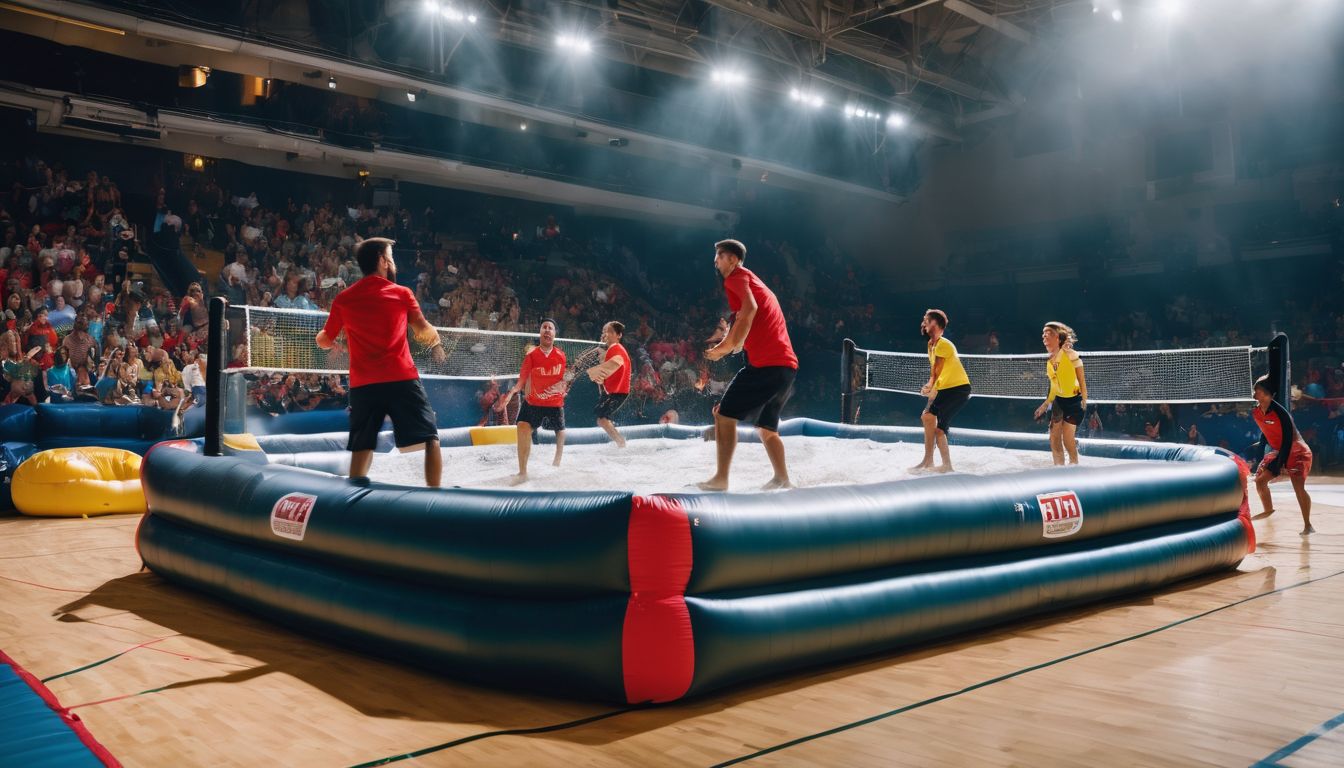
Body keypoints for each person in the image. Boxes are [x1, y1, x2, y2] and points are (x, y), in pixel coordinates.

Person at [316, 237, 444, 487]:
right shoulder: (402, 294)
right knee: (430, 438)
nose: (393, 262)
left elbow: (324, 340)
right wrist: (436, 339)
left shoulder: (344, 298)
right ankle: (434, 499)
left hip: (363, 385)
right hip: (401, 378)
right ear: (383, 262)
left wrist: (323, 337)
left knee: (362, 446)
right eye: (391, 258)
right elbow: (422, 331)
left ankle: (352, 501)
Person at [700, 239, 797, 491]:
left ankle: (721, 479)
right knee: (766, 429)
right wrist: (728, 343)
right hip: (785, 368)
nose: (715, 261)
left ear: (733, 259)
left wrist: (723, 349)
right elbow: (744, 322)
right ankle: (782, 478)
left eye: (720, 256)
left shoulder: (736, 278)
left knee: (724, 415)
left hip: (767, 365)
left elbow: (750, 310)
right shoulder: (755, 282)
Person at [496, 319, 567, 482]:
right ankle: (522, 472)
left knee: (560, 430)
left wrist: (562, 388)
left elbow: (563, 379)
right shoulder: (532, 356)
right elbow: (522, 379)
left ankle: (557, 462)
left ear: (555, 334)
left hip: (554, 403)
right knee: (521, 426)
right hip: (533, 402)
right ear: (540, 333)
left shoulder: (561, 356)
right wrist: (513, 391)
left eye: (551, 328)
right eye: (544, 327)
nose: (547, 330)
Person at [1250, 374, 1314, 535]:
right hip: (1280, 450)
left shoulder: (1281, 413)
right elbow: (1265, 434)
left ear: (1266, 393)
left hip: (1297, 450)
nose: (1254, 393)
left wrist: (1279, 463)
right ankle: (1268, 510)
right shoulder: (1256, 413)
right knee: (1260, 481)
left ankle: (1308, 525)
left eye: (1257, 390)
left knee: (1298, 487)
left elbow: (1287, 439)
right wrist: (1260, 456)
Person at [912, 309, 971, 473]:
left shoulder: (943, 344)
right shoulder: (931, 345)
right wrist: (931, 391)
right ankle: (928, 460)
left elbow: (936, 371)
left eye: (927, 320)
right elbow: (935, 372)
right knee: (927, 417)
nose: (924, 323)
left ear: (936, 324)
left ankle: (945, 465)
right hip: (944, 388)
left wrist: (930, 386)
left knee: (938, 428)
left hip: (958, 390)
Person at [1033, 321, 1087, 466]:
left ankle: (1074, 465)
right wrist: (1044, 406)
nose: (1044, 337)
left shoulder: (1070, 355)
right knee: (1054, 437)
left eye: (1047, 334)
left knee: (1067, 440)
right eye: (1043, 334)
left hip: (1074, 400)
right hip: (1058, 401)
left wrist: (1084, 398)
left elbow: (1081, 378)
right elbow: (1054, 386)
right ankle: (1059, 469)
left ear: (1057, 337)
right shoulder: (1050, 361)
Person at [586, 321, 631, 447]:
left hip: (618, 391)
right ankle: (620, 441)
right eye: (604, 331)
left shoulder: (617, 348)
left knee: (601, 418)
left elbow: (617, 362)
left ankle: (621, 442)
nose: (606, 334)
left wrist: (595, 372)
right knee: (601, 418)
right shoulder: (611, 349)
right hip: (612, 391)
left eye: (610, 332)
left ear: (619, 335)